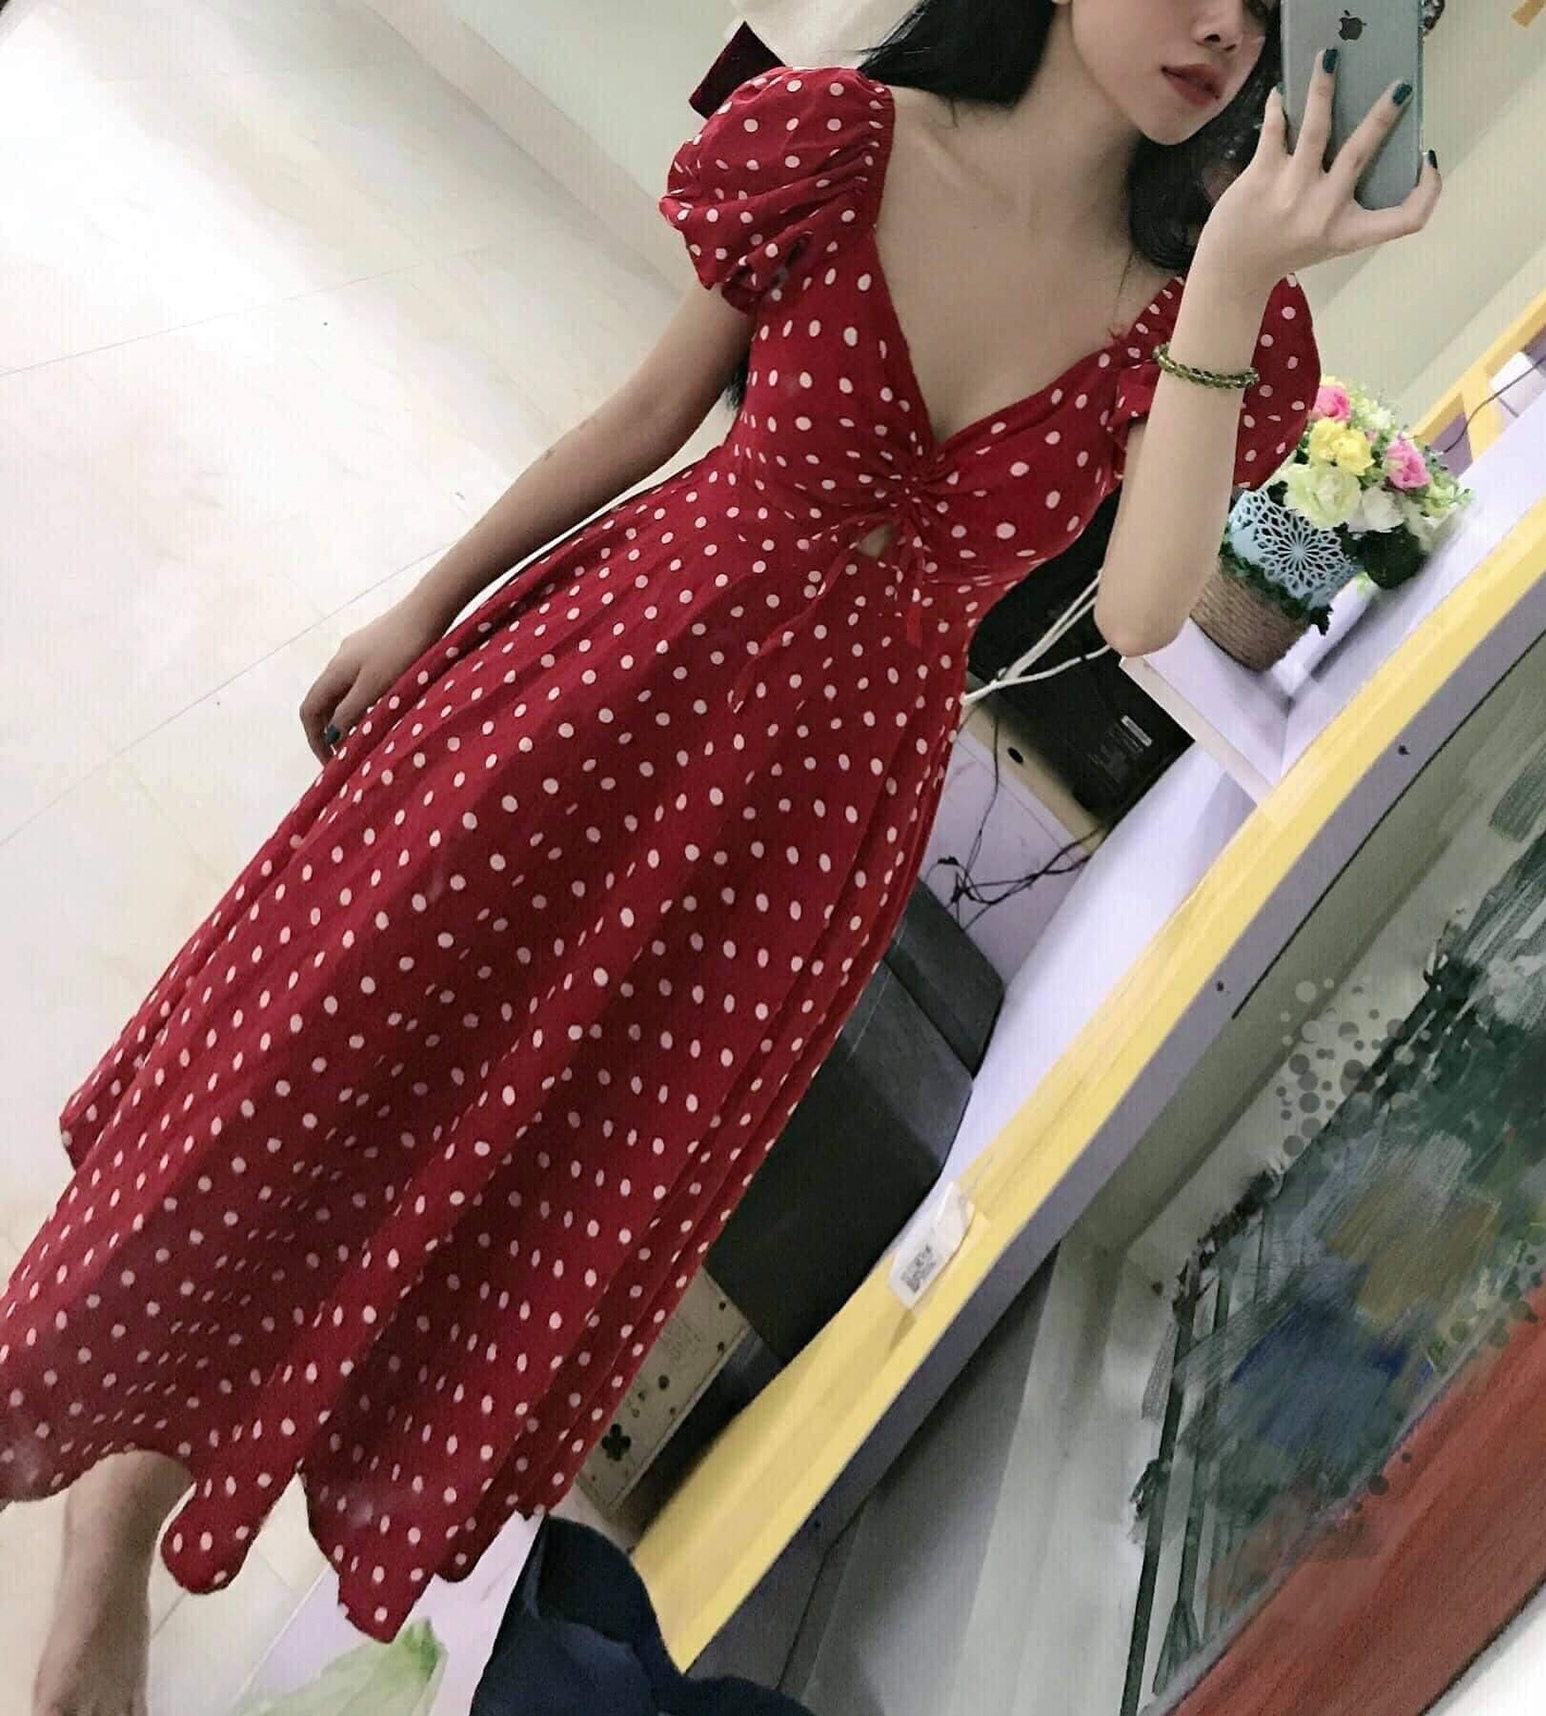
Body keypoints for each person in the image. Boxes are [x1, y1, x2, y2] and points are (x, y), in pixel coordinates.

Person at [6, 1, 1437, 1710]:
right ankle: (113, 1515)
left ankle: (193, 1479)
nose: (1221, 26)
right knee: (333, 1061)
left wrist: (1228, 281)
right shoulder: (833, 142)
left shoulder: (1213, 327)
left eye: (1270, 7)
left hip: (796, 844)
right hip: (603, 685)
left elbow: (1139, 613)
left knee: (530, 1167)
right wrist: (427, 601)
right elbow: (648, 411)